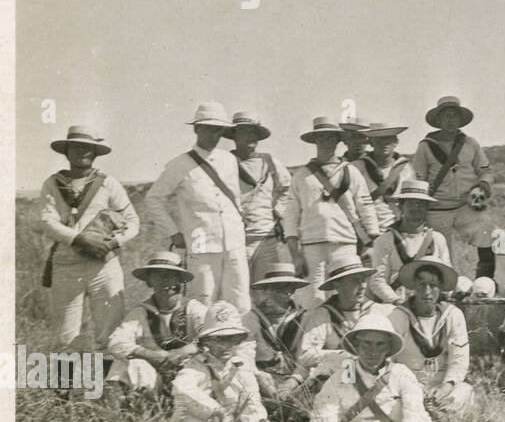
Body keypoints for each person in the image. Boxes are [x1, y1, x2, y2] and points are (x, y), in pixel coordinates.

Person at [39, 125, 139, 350]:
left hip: (104, 264)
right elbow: (47, 221)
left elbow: (133, 222)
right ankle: (67, 383)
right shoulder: (52, 183)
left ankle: (110, 382)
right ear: (66, 152)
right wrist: (79, 239)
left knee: (110, 329)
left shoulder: (107, 182)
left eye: (87, 147)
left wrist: (113, 243)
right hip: (66, 264)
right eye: (75, 147)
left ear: (95, 152)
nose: (82, 152)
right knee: (66, 335)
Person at [143, 101, 250, 312]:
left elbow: (234, 198)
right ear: (196, 128)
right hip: (201, 243)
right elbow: (153, 199)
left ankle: (241, 345)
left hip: (234, 241)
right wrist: (173, 233)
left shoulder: (229, 160)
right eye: (209, 128)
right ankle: (202, 345)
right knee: (203, 300)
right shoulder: (179, 164)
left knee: (239, 299)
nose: (214, 134)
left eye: (218, 129)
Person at [307, 311, 433, 422]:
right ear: (357, 345)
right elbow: (323, 415)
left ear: (388, 347)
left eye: (380, 344)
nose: (373, 351)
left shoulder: (400, 374)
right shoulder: (342, 375)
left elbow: (415, 414)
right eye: (366, 343)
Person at [171, 302, 276, 422]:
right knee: (193, 415)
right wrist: (218, 411)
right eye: (219, 339)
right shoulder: (197, 366)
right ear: (207, 342)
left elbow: (254, 410)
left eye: (232, 339)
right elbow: (181, 387)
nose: (226, 345)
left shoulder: (242, 369)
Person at [282, 117, 380, 310]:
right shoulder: (301, 175)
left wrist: (372, 243)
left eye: (331, 137)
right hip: (311, 246)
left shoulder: (352, 172)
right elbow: (291, 216)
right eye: (321, 138)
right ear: (315, 141)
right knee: (311, 299)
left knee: (347, 298)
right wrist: (295, 255)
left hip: (345, 244)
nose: (326, 142)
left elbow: (366, 208)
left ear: (338, 140)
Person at [411, 96, 496, 279]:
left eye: (454, 116)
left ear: (460, 119)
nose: (451, 120)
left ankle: (486, 285)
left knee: (487, 233)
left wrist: (482, 185)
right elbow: (418, 179)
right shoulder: (425, 147)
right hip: (437, 209)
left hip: (466, 206)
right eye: (446, 116)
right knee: (441, 257)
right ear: (439, 120)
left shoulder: (470, 143)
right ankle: (445, 296)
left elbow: (486, 171)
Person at [106, 251, 207, 397]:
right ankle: (127, 408)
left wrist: (180, 352)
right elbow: (116, 342)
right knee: (126, 363)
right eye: (158, 275)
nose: (165, 281)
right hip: (154, 373)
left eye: (170, 275)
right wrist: (149, 354)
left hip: (187, 371)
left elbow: (212, 336)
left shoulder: (193, 309)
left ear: (179, 280)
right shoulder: (140, 312)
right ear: (149, 281)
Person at [388, 257, 474, 414]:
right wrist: (414, 388)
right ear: (413, 286)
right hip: (410, 386)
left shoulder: (453, 315)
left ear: (441, 287)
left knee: (464, 391)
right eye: (421, 285)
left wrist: (446, 386)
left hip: (442, 388)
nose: (427, 292)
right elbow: (389, 361)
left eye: (433, 285)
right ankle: (431, 414)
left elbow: (459, 359)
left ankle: (436, 412)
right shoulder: (398, 316)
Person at [295, 253, 392, 381]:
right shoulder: (323, 315)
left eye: (363, 279)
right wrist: (342, 355)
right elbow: (306, 355)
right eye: (355, 280)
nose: (362, 285)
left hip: (378, 378)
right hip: (341, 378)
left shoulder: (378, 311)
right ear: (337, 285)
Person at [230, 111, 293, 285]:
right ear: (234, 135)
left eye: (254, 132)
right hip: (236, 240)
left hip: (267, 238)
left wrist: (278, 211)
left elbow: (288, 188)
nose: (251, 136)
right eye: (245, 131)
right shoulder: (225, 162)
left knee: (267, 288)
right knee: (238, 291)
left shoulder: (269, 161)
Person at [238, 263, 311, 411]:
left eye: (288, 287)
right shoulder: (250, 319)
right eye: (277, 288)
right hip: (263, 381)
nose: (284, 293)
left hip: (296, 381)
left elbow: (307, 357)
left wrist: (293, 381)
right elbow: (245, 356)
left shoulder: (305, 317)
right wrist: (260, 379)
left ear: (293, 291)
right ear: (267, 290)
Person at [367, 181, 451, 306]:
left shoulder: (437, 239)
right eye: (411, 203)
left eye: (421, 203)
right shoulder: (385, 240)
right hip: (395, 304)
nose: (416, 207)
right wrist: (397, 301)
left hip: (429, 303)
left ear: (427, 207)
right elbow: (377, 281)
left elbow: (446, 275)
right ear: (400, 206)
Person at [352, 122, 412, 231]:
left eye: (388, 139)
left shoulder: (406, 169)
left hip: (398, 229)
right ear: (371, 142)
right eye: (379, 139)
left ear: (395, 142)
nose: (384, 143)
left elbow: (411, 201)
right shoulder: (357, 167)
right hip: (366, 229)